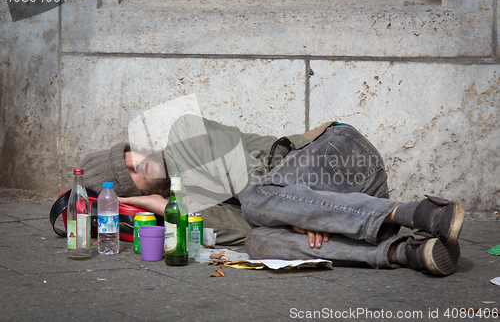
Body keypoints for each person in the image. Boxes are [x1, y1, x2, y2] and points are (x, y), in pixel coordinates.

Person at [81, 114, 464, 276]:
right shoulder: (188, 207)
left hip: (341, 155)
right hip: (347, 203)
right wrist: (167, 208)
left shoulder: (185, 135)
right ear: (134, 196)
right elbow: (240, 231)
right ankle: (405, 251)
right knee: (259, 241)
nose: (141, 165)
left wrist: (298, 215)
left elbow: (256, 188)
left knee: (257, 199)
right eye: (132, 177)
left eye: (132, 157)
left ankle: (416, 213)